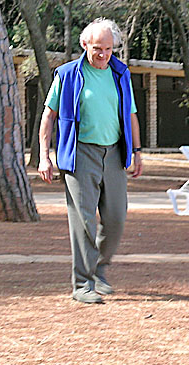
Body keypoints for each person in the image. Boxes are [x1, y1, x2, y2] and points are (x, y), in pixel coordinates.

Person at [38, 18, 143, 304]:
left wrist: (137, 150)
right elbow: (49, 116)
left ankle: (100, 269)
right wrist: (44, 156)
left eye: (108, 48)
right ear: (85, 45)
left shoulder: (121, 74)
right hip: (79, 153)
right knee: (83, 220)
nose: (103, 54)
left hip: (114, 153)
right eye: (98, 48)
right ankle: (82, 284)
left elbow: (131, 114)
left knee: (116, 218)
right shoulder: (68, 75)